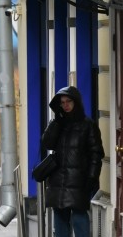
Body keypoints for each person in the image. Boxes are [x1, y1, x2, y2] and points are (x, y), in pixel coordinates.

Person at [41, 85, 104, 237]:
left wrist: (91, 178)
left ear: (76, 102)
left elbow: (96, 154)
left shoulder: (88, 125)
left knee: (80, 219)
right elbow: (47, 143)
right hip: (58, 181)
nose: (65, 105)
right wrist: (56, 121)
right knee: (60, 220)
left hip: (79, 181)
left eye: (68, 101)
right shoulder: (58, 123)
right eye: (62, 102)